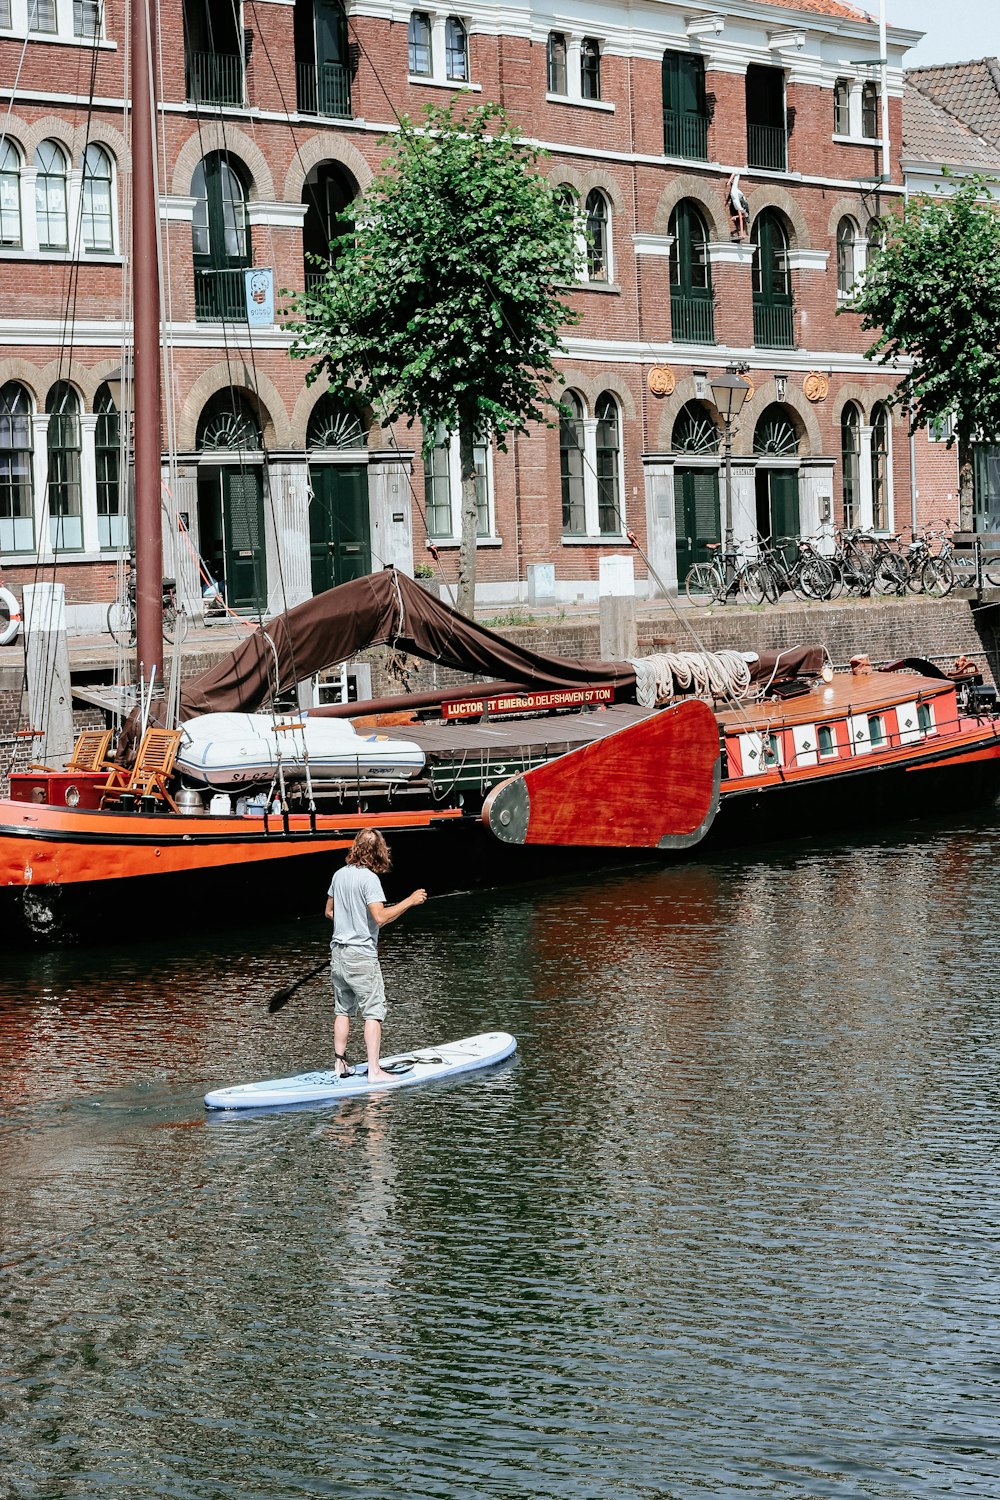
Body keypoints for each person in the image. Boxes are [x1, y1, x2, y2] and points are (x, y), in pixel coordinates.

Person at [325, 828, 426, 1082]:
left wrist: (349, 927)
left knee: (342, 1010)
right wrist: (410, 901)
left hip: (338, 954)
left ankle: (340, 1065)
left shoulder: (339, 875)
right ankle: (374, 1071)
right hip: (361, 956)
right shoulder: (369, 880)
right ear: (378, 852)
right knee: (373, 1011)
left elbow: (329, 912)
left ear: (356, 848)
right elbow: (380, 917)